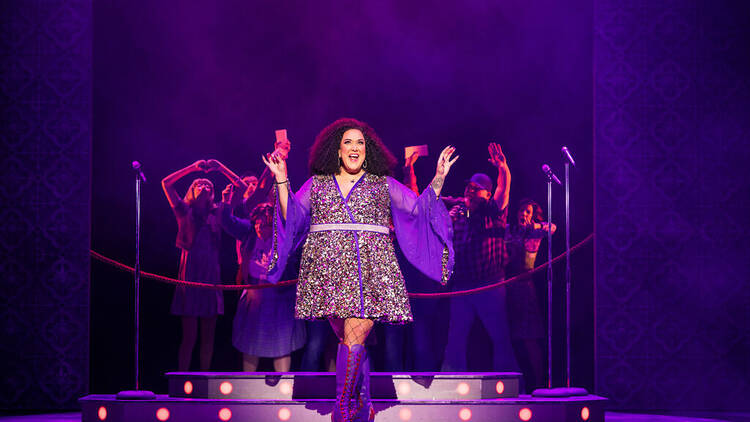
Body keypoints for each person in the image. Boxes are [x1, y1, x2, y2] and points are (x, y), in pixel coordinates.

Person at [262, 118, 457, 422]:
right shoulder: (318, 183)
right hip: (327, 269)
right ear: (337, 151)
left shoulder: (383, 184)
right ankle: (362, 404)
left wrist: (439, 178)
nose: (354, 148)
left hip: (372, 270)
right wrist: (281, 179)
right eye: (348, 143)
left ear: (369, 150)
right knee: (349, 341)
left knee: (354, 338)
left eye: (360, 143)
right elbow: (294, 218)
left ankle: (341, 405)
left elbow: (418, 211)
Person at [441, 143, 519, 373]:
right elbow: (425, 199)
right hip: (463, 286)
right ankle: (450, 387)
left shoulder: (493, 211)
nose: (470, 191)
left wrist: (503, 168)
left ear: (487, 192)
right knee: (454, 340)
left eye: (476, 188)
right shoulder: (458, 208)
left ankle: (509, 388)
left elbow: (503, 192)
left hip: (489, 284)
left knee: (500, 337)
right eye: (468, 188)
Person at [161, 159, 246, 371]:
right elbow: (166, 183)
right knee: (189, 337)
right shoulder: (183, 210)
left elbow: (242, 187)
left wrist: (222, 167)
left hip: (211, 277)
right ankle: (183, 381)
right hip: (190, 277)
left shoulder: (218, 212)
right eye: (199, 183)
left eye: (209, 185)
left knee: (208, 337)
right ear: (191, 190)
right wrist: (192, 168)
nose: (205, 185)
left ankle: (203, 382)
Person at [218, 186, 306, 372]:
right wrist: (225, 202)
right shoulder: (249, 233)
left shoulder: (285, 234)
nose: (260, 227)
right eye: (257, 223)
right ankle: (248, 384)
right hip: (254, 292)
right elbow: (227, 222)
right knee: (250, 341)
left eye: (264, 223)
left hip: (280, 295)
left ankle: (284, 385)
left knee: (281, 344)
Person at [504, 198, 556, 391]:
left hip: (525, 288)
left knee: (529, 337)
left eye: (527, 211)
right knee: (509, 337)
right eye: (521, 211)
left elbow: (552, 228)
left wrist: (533, 224)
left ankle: (539, 382)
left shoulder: (535, 231)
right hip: (506, 286)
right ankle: (515, 383)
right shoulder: (509, 229)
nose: (523, 214)